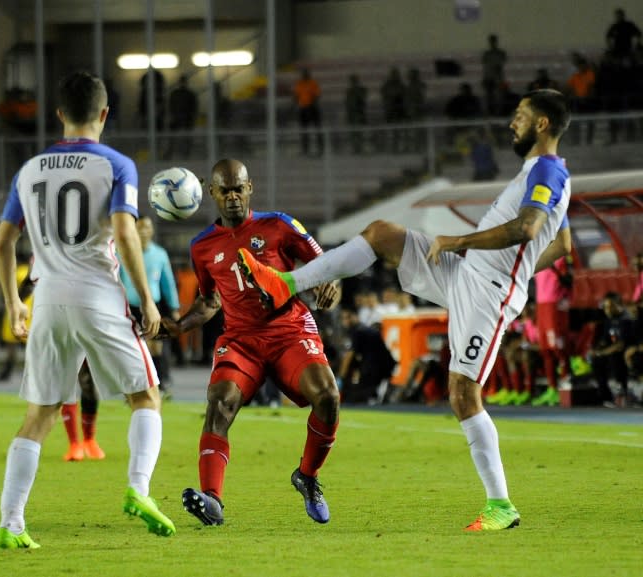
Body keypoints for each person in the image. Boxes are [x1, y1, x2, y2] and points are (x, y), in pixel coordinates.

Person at [238, 89, 573, 531]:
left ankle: (501, 505)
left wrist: (466, 247)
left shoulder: (547, 169)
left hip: (486, 291)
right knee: (382, 233)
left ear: (542, 124)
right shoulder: (542, 172)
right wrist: (517, 269)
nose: (513, 122)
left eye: (520, 115)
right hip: (468, 275)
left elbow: (527, 228)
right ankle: (285, 283)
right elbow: (561, 244)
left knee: (462, 394)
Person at [0, 71, 175, 549]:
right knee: (146, 396)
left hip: (47, 298)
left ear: (59, 115)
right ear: (104, 114)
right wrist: (147, 298)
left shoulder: (29, 169)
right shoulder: (117, 165)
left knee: (41, 415)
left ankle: (11, 523)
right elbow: (126, 231)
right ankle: (138, 489)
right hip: (97, 292)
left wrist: (14, 302)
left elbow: (3, 242)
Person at [160, 158, 341, 526]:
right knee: (219, 404)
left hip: (289, 331)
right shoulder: (202, 247)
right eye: (224, 190)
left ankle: (307, 476)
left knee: (328, 397)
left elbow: (327, 266)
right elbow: (210, 302)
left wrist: (328, 284)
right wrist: (178, 326)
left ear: (250, 188)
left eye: (238, 189)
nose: (232, 197)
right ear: (211, 192)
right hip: (241, 341)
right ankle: (212, 500)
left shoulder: (279, 226)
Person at [119, 215, 180, 395]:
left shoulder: (159, 254)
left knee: (157, 345)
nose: (144, 231)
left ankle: (161, 383)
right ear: (134, 230)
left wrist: (174, 307)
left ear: (152, 230)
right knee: (131, 347)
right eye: (140, 228)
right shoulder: (124, 252)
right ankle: (133, 386)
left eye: (147, 227)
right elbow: (117, 280)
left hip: (154, 307)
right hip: (130, 307)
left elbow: (168, 283)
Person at [531, 255, 573, 406]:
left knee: (557, 347)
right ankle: (552, 389)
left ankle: (566, 381)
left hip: (554, 305)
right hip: (541, 305)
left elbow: (568, 280)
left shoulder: (559, 256)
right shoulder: (537, 256)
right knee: (544, 349)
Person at [588, 291, 638, 407]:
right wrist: (596, 350)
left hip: (627, 353)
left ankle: (622, 391)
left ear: (618, 305)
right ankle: (605, 396)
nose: (607, 310)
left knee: (613, 357)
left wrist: (603, 352)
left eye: (610, 306)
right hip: (613, 352)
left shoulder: (627, 320)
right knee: (597, 360)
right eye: (605, 307)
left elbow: (621, 344)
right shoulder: (608, 321)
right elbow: (605, 340)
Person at [337, 307, 396, 404]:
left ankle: (379, 396)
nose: (345, 321)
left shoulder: (357, 331)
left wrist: (340, 377)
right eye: (343, 318)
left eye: (347, 317)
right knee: (364, 394)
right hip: (382, 365)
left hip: (378, 367)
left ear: (355, 317)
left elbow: (349, 356)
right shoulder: (363, 329)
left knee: (361, 398)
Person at [293, 68, 324, 157]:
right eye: (303, 74)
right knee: (304, 130)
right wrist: (296, 105)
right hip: (303, 108)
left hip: (312, 108)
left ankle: (320, 147)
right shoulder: (299, 84)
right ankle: (305, 149)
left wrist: (311, 104)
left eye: (306, 74)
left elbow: (317, 95)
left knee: (317, 128)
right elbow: (296, 96)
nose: (305, 75)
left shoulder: (312, 83)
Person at [168, 75, 199, 158]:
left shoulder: (190, 94)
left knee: (187, 137)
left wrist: (192, 117)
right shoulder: (175, 94)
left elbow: (194, 107)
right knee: (172, 137)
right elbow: (171, 106)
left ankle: (186, 153)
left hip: (186, 119)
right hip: (177, 118)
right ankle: (170, 152)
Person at [481, 34, 507, 116]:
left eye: (493, 41)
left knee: (500, 96)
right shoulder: (486, 54)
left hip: (499, 78)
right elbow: (486, 67)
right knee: (490, 97)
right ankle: (491, 112)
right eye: (491, 41)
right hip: (489, 78)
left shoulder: (501, 53)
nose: (492, 43)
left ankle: (500, 112)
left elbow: (501, 64)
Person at [345, 74, 367, 154]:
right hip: (352, 115)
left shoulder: (362, 90)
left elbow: (363, 100)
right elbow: (347, 103)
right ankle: (355, 148)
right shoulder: (349, 91)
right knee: (354, 133)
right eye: (352, 81)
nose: (353, 83)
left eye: (354, 81)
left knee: (359, 132)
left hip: (359, 114)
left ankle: (360, 148)